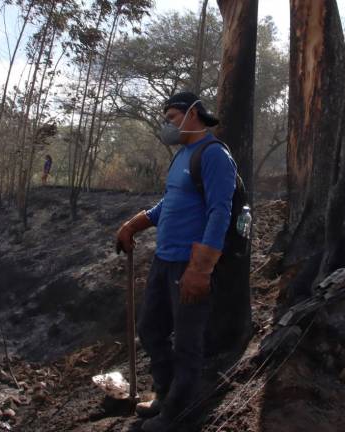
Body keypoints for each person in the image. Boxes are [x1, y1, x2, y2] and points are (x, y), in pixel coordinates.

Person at [115, 91, 236, 431]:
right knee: (150, 330)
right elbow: (168, 203)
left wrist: (202, 269)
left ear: (192, 113)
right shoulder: (182, 155)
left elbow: (219, 211)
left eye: (170, 118)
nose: (167, 126)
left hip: (189, 265)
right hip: (163, 261)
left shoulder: (214, 155)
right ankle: (165, 395)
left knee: (186, 343)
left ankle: (179, 415)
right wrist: (133, 224)